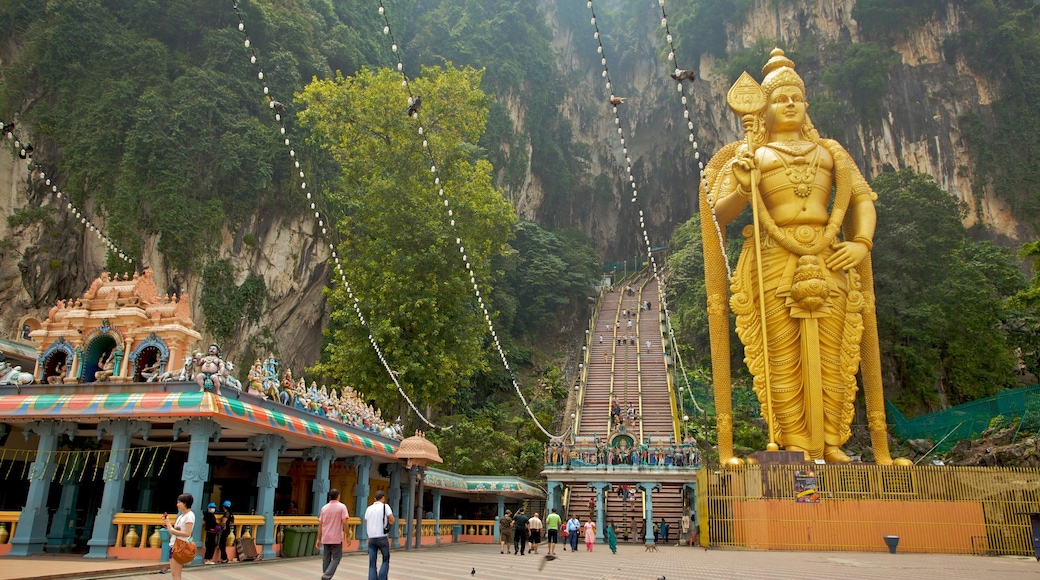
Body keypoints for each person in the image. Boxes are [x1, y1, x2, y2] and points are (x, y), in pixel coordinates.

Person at [704, 48, 888, 464]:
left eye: (796, 97)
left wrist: (862, 242)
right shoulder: (751, 155)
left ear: (806, 105)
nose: (789, 103)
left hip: (829, 256)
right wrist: (740, 184)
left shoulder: (831, 153)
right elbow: (720, 214)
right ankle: (793, 444)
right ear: (764, 109)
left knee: (834, 350)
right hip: (773, 257)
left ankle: (832, 444)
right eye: (780, 98)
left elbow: (861, 199)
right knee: (781, 355)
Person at [318, 489, 350, 580]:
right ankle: (327, 575)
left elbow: (321, 524)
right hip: (336, 537)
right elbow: (344, 522)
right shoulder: (342, 507)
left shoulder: (324, 508)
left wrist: (318, 538)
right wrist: (347, 535)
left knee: (326, 557)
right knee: (337, 557)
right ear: (338, 496)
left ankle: (325, 575)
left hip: (326, 537)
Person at [163, 493, 195, 580]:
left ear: (185, 503)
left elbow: (188, 533)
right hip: (174, 545)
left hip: (180, 546)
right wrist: (167, 522)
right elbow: (176, 530)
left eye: (179, 502)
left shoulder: (189, 516)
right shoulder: (181, 516)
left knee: (176, 575)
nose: (177, 504)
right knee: (174, 573)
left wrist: (173, 531)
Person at [364, 490, 394, 580]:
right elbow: (392, 519)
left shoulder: (369, 508)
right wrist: (388, 524)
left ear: (374, 499)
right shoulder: (385, 506)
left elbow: (367, 522)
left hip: (371, 538)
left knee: (372, 562)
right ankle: (382, 578)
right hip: (382, 537)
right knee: (385, 559)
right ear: (383, 498)